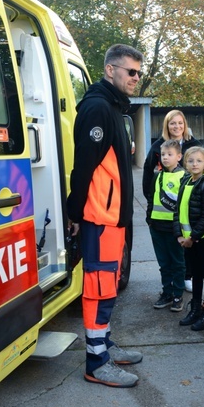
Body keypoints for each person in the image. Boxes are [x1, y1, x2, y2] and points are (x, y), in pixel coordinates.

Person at [67, 44, 145, 388]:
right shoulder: (98, 107)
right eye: (131, 72)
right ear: (111, 69)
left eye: (139, 73)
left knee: (109, 286)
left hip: (113, 218)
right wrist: (75, 211)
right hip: (98, 217)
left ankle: (105, 344)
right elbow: (83, 166)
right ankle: (96, 361)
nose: (136, 79)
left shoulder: (112, 107)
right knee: (98, 287)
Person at [143, 110, 202, 293]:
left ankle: (187, 277)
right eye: (172, 123)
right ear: (166, 126)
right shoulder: (158, 146)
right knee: (172, 250)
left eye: (180, 123)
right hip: (167, 209)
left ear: (185, 125)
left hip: (190, 203)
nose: (177, 127)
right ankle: (172, 285)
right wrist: (151, 198)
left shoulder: (193, 144)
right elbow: (147, 172)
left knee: (189, 242)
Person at [174, 147, 204, 331]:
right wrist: (179, 234)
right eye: (191, 160)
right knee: (196, 275)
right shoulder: (185, 181)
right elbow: (177, 210)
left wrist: (192, 237)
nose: (194, 164)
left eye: (199, 161)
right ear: (185, 163)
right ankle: (196, 308)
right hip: (186, 239)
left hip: (201, 239)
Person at [148, 139, 186, 312]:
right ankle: (167, 293)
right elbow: (151, 197)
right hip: (157, 227)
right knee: (164, 263)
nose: (165, 157)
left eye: (170, 154)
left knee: (177, 262)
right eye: (163, 154)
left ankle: (178, 294)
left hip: (173, 228)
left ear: (179, 156)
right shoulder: (157, 175)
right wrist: (150, 219)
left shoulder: (183, 176)